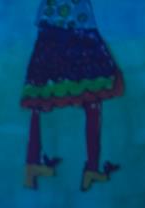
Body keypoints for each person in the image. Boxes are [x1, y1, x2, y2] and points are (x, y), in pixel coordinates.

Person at [20, 0, 123, 191]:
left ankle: (32, 164)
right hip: (79, 25)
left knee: (39, 95)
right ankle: (91, 168)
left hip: (52, 24)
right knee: (93, 93)